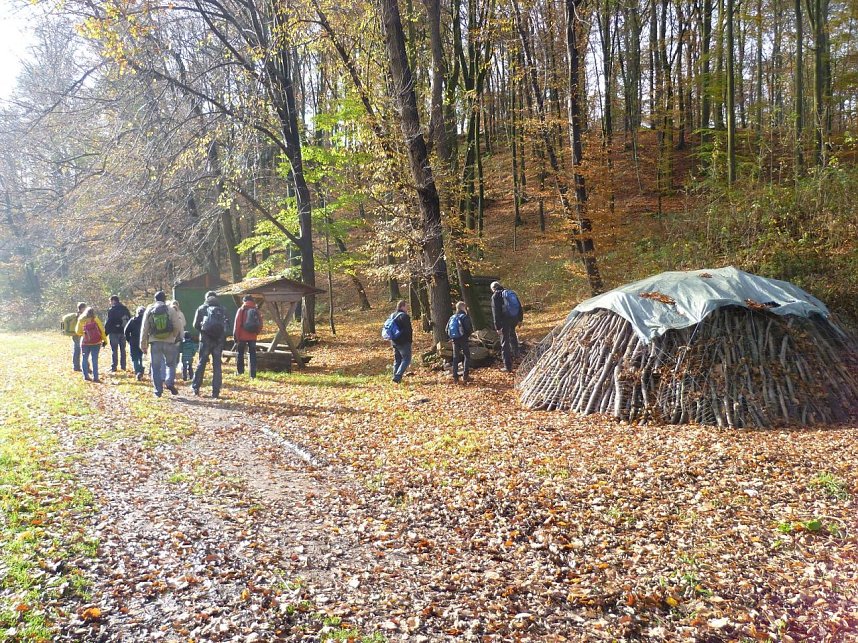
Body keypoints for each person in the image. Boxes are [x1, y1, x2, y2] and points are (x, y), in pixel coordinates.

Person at [140, 291, 183, 398]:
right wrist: (173, 336)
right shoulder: (171, 310)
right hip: (169, 342)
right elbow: (177, 325)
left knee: (155, 367)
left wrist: (143, 344)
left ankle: (158, 390)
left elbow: (144, 328)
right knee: (170, 364)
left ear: (155, 299)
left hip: (155, 342)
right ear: (165, 299)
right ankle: (169, 382)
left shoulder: (150, 310)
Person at [192, 290, 228, 398]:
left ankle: (196, 387)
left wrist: (204, 331)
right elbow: (227, 326)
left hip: (205, 340)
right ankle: (216, 392)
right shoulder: (223, 309)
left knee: (201, 363)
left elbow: (195, 325)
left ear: (206, 298)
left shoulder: (202, 308)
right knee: (217, 365)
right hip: (218, 341)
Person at [491, 281, 523, 372]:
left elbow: (495, 313)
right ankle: (518, 357)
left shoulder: (496, 296)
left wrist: (497, 327)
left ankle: (508, 366)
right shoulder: (510, 293)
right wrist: (520, 319)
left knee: (505, 343)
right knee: (513, 336)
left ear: (493, 289)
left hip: (504, 321)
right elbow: (519, 306)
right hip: (514, 319)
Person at [233, 295, 262, 378]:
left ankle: (240, 372)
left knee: (240, 353)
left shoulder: (241, 310)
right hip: (252, 336)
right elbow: (260, 323)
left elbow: (237, 324)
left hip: (242, 336)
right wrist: (256, 332)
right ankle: (252, 375)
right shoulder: (256, 310)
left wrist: (236, 337)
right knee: (253, 354)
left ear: (244, 301)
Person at [75, 307, 106, 383]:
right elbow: (102, 330)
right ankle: (96, 377)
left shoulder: (81, 320)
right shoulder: (96, 319)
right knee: (94, 359)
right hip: (96, 342)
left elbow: (77, 331)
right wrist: (105, 340)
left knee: (84, 358)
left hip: (85, 342)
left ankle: (86, 376)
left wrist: (84, 334)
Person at [447, 301, 474, 384]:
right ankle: (465, 376)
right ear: (463, 307)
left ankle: (455, 377)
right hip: (463, 339)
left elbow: (446, 329)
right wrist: (467, 335)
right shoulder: (464, 317)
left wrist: (452, 337)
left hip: (454, 339)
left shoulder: (452, 317)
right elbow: (468, 328)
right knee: (467, 355)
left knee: (455, 357)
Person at [386, 300, 413, 384]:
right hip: (403, 341)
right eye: (406, 306)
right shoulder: (404, 316)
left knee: (397, 359)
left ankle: (395, 377)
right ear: (402, 306)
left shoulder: (392, 315)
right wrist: (410, 340)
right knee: (406, 358)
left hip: (394, 341)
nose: (407, 308)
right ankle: (398, 376)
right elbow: (408, 330)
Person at [104, 295, 132, 372]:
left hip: (114, 332)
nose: (110, 303)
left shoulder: (112, 310)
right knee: (123, 349)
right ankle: (123, 366)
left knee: (114, 350)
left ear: (113, 301)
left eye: (110, 301)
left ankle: (114, 367)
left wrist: (105, 334)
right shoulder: (125, 309)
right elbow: (129, 320)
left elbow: (109, 323)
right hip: (123, 332)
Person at [62, 302, 87, 372]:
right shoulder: (76, 316)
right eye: (84, 308)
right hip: (76, 335)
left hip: (81, 334)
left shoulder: (78, 315)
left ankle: (81, 367)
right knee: (78, 350)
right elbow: (63, 320)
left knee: (82, 351)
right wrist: (64, 330)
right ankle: (77, 367)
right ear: (82, 308)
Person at [124, 306, 146, 381]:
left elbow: (126, 331)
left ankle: (137, 371)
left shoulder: (132, 320)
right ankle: (141, 369)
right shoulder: (145, 321)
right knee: (141, 356)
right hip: (143, 341)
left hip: (133, 341)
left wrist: (129, 339)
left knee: (134, 357)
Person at [169, 299, 187, 372]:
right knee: (177, 350)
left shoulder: (168, 313)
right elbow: (184, 324)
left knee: (170, 350)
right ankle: (176, 363)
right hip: (179, 335)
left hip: (170, 335)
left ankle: (171, 363)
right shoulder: (181, 314)